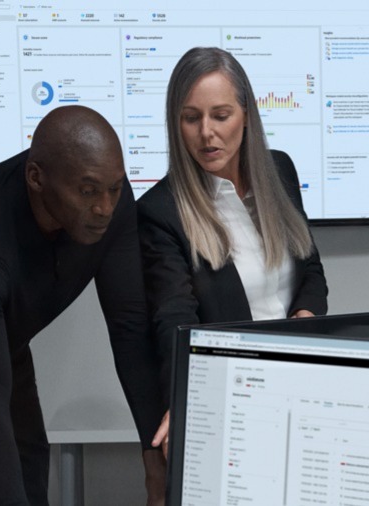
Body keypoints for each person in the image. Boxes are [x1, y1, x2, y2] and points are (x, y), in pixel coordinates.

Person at [0, 105, 166, 505]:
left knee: (29, 475)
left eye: (114, 188)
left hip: (6, 343)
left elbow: (129, 326)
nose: (104, 209)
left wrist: (152, 457)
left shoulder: (112, 202)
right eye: (89, 191)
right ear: (37, 178)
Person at [137, 47, 329, 453]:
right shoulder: (160, 211)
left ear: (246, 115)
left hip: (302, 384)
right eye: (191, 118)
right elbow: (174, 317)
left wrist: (304, 320)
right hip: (234, 398)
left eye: (220, 116)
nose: (207, 133)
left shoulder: (280, 171)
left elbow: (310, 269)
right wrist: (183, 399)